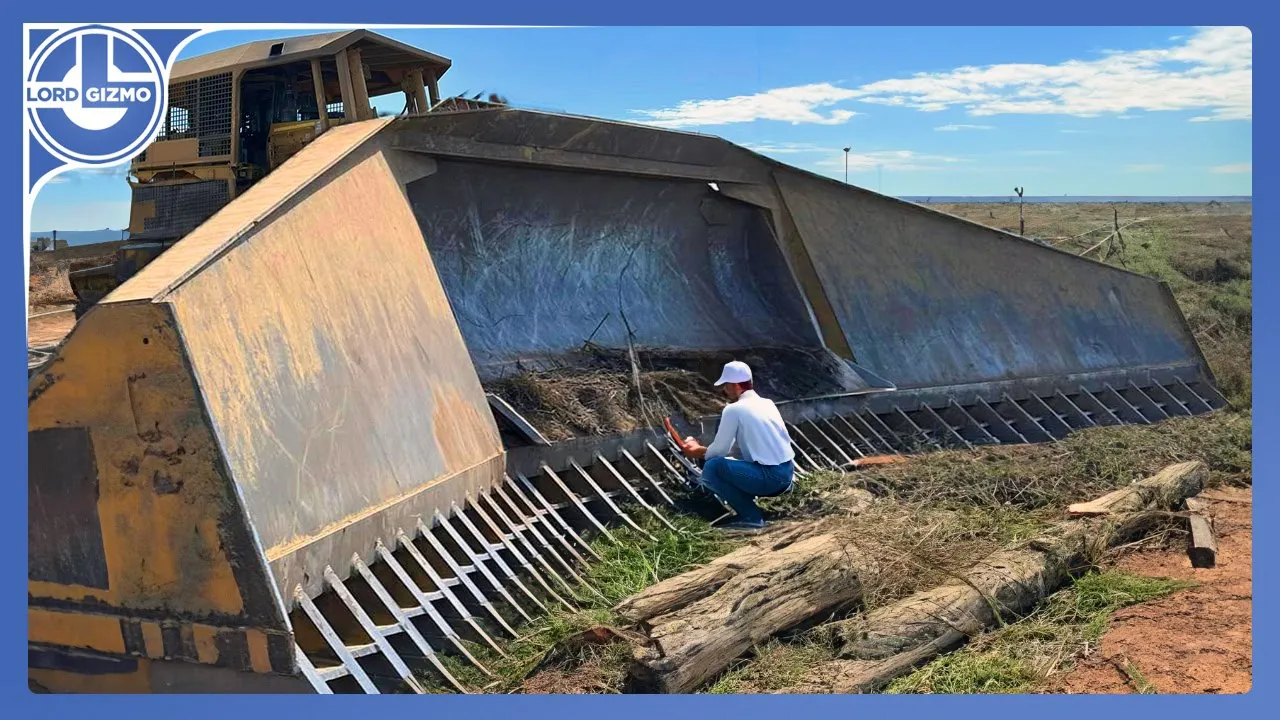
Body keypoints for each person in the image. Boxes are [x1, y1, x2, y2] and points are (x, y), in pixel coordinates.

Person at [674, 361, 796, 531]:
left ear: (736, 385)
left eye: (726, 385)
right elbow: (733, 449)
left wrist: (695, 450)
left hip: (771, 479)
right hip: (787, 474)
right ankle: (750, 507)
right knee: (727, 463)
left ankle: (751, 517)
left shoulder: (733, 409)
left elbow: (719, 451)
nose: (725, 390)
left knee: (713, 467)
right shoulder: (767, 403)